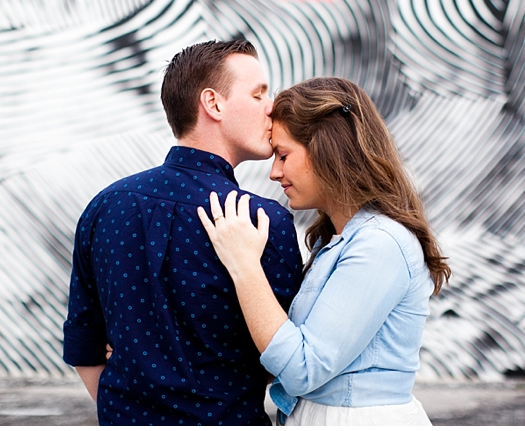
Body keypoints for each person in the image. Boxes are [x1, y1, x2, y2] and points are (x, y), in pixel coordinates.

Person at [62, 40, 304, 425]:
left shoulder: (105, 206)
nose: (271, 106)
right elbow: (288, 360)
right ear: (213, 103)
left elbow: (83, 343)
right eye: (259, 93)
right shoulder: (263, 220)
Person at [198, 77, 451, 426]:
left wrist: (244, 265)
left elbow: (302, 368)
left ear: (327, 149)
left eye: (283, 155)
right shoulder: (335, 240)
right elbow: (283, 346)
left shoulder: (380, 244)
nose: (274, 172)